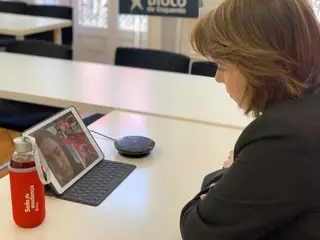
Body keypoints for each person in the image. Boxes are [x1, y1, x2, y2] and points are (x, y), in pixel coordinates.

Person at [180, 0, 320, 239]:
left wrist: (226, 173)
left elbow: (197, 228)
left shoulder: (283, 137)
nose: (217, 78)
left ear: (257, 65)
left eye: (222, 66)